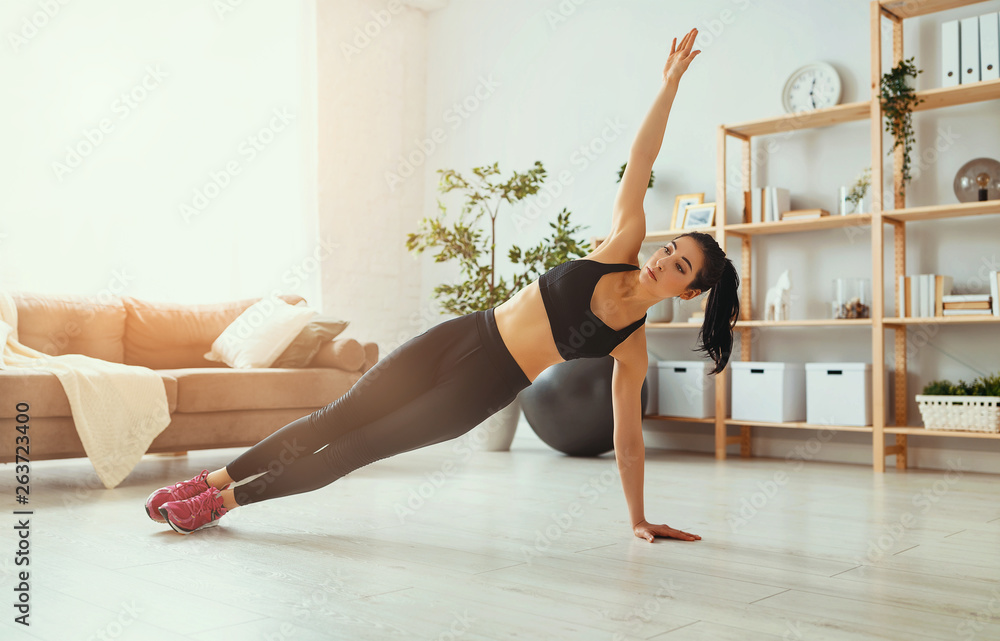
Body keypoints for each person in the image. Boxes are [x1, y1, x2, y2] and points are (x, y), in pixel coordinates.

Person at [145, 27, 739, 542]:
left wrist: (639, 518)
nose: (664, 261)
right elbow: (642, 158)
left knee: (357, 449)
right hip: (464, 334)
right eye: (671, 249)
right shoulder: (621, 243)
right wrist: (670, 86)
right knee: (336, 416)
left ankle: (217, 507)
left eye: (680, 267)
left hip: (482, 387)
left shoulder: (629, 347)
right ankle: (208, 479)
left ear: (688, 294)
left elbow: (627, 440)